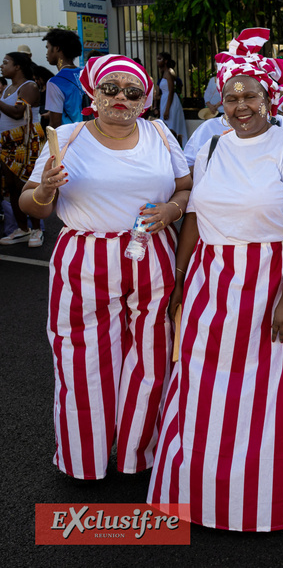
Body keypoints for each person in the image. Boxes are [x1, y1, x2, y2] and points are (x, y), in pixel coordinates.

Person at [148, 28, 283, 531]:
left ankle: (255, 505)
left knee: (265, 398)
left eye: (251, 95)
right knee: (202, 391)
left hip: (270, 280)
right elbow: (197, 218)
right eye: (232, 96)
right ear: (219, 101)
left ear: (270, 98)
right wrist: (181, 282)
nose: (241, 105)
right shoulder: (208, 147)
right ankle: (194, 498)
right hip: (212, 279)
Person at [19, 54, 191, 479]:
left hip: (150, 251)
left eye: (132, 92)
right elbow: (32, 206)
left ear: (145, 99)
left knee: (150, 359)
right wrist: (43, 190)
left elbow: (185, 186)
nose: (120, 98)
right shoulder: (67, 137)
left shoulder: (160, 133)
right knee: (82, 359)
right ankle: (84, 461)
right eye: (110, 88)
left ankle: (137, 456)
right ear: (93, 92)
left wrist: (172, 209)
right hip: (84, 257)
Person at [0, 51, 43, 246]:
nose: (2, 66)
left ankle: (37, 229)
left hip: (26, 142)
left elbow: (18, 113)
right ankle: (22, 229)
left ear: (17, 66)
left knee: (26, 185)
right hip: (8, 143)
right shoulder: (8, 88)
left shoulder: (29, 86)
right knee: (11, 187)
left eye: (6, 62)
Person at [43, 28, 85, 127]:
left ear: (57, 48)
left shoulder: (55, 82)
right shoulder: (85, 74)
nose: (47, 53)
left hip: (70, 138)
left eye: (48, 47)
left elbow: (55, 124)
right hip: (91, 134)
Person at [156, 51, 189, 145]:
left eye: (159, 59)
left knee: (171, 126)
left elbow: (171, 91)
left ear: (165, 61)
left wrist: (167, 110)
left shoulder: (169, 72)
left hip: (170, 103)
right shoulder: (165, 73)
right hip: (165, 101)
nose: (157, 61)